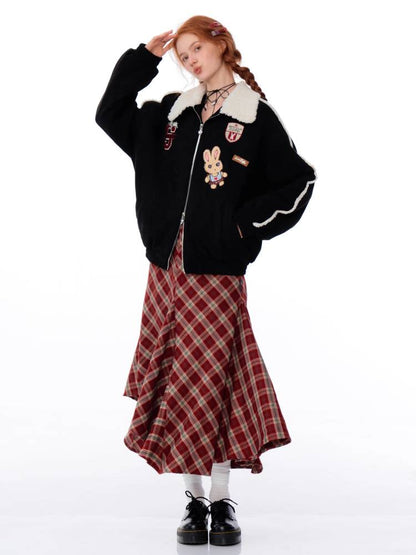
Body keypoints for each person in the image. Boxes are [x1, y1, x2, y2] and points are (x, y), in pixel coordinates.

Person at [95, 14, 317, 547]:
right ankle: (194, 502)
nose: (189, 60)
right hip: (166, 270)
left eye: (196, 48)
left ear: (222, 44)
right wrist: (144, 60)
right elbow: (110, 113)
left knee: (212, 385)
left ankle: (221, 501)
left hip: (217, 274)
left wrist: (241, 226)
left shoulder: (255, 117)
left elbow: (299, 181)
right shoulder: (172, 114)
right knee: (179, 383)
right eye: (182, 54)